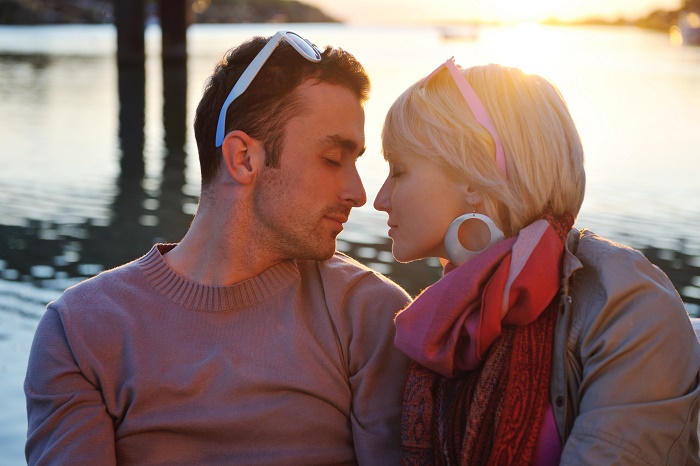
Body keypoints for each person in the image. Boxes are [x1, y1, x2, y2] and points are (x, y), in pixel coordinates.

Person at [24, 31, 411, 465]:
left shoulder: (372, 315)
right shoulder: (81, 330)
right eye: (332, 159)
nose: (359, 193)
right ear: (243, 158)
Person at [373, 57, 700, 465]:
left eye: (399, 170)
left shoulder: (627, 303)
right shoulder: (448, 313)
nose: (379, 198)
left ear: (474, 176)